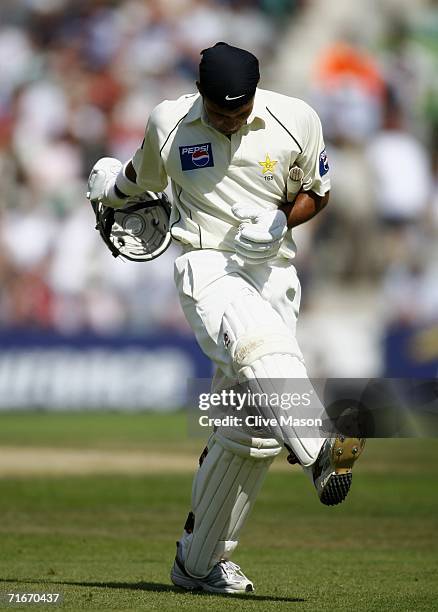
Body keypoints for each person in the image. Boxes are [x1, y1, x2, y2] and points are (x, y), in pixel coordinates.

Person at [87, 42, 365, 595]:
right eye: (217, 111)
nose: (226, 120)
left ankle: (197, 565)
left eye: (236, 112)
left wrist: (281, 221)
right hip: (206, 264)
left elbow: (318, 193)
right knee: (255, 342)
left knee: (251, 431)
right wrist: (105, 192)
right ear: (200, 94)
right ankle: (319, 451)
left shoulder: (297, 120)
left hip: (274, 272)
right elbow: (137, 181)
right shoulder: (169, 123)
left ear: (255, 95)